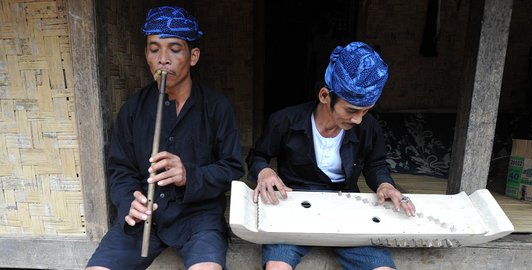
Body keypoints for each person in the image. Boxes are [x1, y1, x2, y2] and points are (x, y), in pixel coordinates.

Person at [86, 6, 244, 270]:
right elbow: (120, 169)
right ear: (146, 54)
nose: (163, 59)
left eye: (174, 48)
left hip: (199, 217)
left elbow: (232, 168)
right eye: (154, 48)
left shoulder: (217, 107)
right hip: (146, 216)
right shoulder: (133, 109)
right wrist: (129, 201)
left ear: (193, 56)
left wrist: (189, 175)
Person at [246, 41, 416, 270]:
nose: (358, 119)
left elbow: (376, 164)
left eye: (366, 111)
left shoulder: (368, 127)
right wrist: (265, 171)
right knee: (277, 266)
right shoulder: (285, 121)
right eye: (351, 110)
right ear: (325, 96)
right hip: (293, 205)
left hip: (345, 205)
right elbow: (257, 156)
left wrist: (384, 183)